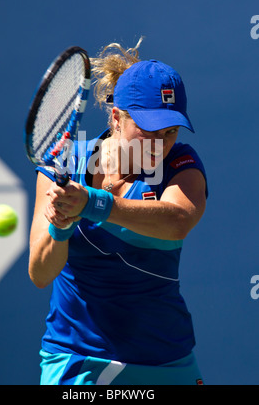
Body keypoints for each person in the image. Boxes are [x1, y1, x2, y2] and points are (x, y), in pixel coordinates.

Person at [28, 39, 208, 385]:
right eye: (148, 129)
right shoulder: (64, 163)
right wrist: (61, 225)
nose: (161, 142)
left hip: (164, 361)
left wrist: (92, 204)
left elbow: (178, 220)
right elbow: (39, 273)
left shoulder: (182, 164)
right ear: (116, 117)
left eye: (170, 131)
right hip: (76, 359)